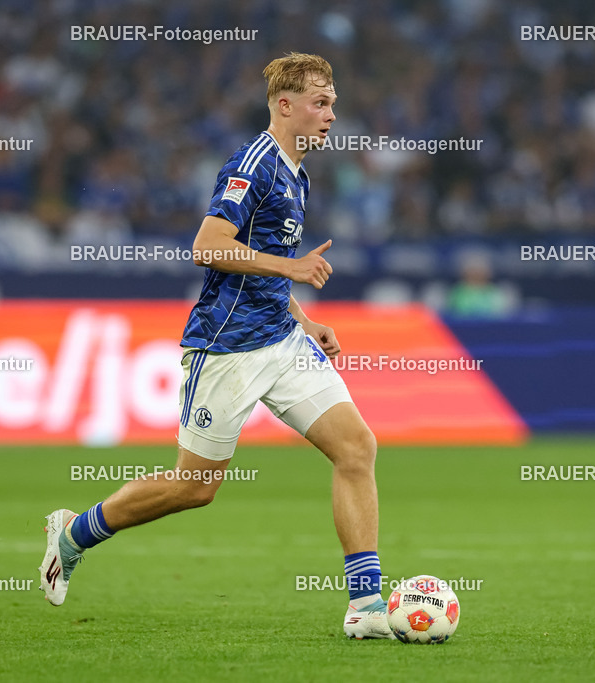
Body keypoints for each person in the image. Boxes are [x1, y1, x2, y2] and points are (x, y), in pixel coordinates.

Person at [38, 52, 393, 639]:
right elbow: (207, 245)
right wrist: (295, 268)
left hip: (281, 340)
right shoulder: (253, 164)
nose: (332, 113)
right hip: (226, 349)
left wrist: (302, 320)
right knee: (195, 488)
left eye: (333, 102)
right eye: (321, 102)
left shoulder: (298, 170)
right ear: (286, 106)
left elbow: (260, 268)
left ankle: (366, 606)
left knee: (356, 448)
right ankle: (74, 533)